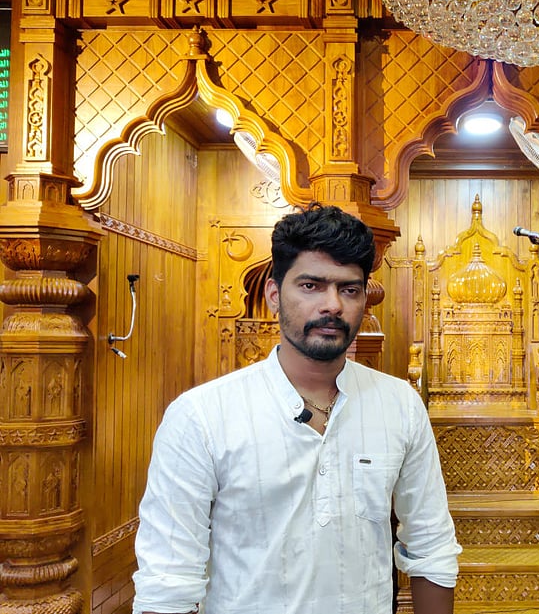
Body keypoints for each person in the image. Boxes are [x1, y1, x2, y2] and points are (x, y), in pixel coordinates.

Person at [133, 203, 461, 614]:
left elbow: (430, 544)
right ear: (274, 294)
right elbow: (168, 581)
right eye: (311, 286)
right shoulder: (201, 416)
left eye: (349, 289)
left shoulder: (399, 405)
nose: (333, 305)